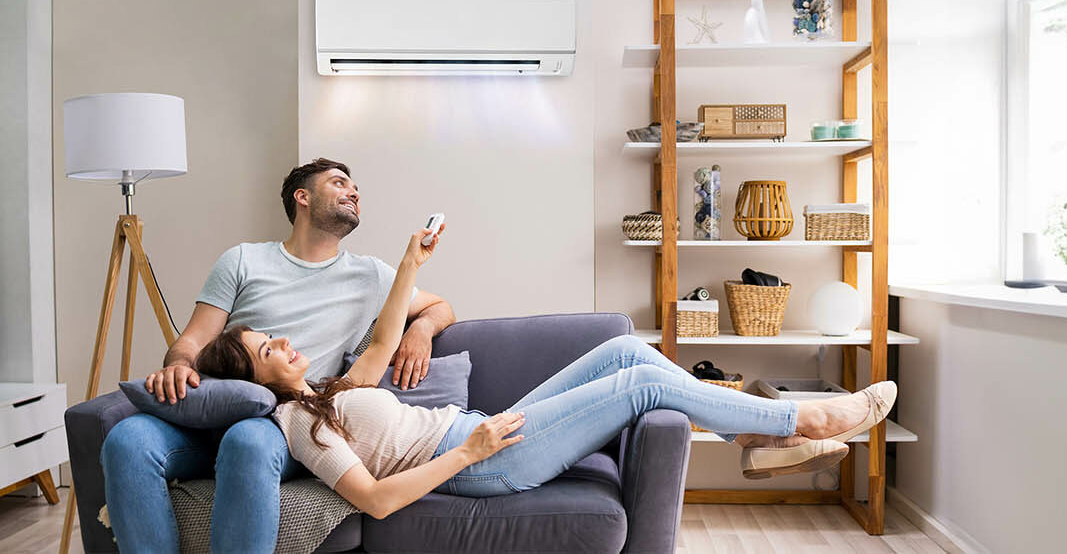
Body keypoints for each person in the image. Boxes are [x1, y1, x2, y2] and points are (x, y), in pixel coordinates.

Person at [194, 224, 897, 518]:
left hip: (478, 430)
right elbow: (375, 500)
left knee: (626, 351)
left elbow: (385, 334)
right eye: (267, 348)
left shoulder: (328, 389)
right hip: (479, 460)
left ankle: (754, 440)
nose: (286, 340)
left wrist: (410, 268)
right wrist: (468, 451)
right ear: (256, 380)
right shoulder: (295, 423)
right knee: (643, 382)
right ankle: (798, 419)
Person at [100, 158, 456, 553]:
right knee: (127, 438)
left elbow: (440, 307)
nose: (353, 192)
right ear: (302, 197)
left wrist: (421, 330)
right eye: (339, 183)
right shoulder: (242, 260)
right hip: (213, 412)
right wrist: (179, 366)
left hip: (285, 423)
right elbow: (191, 341)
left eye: (355, 187)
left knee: (247, 439)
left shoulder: (371, 274)